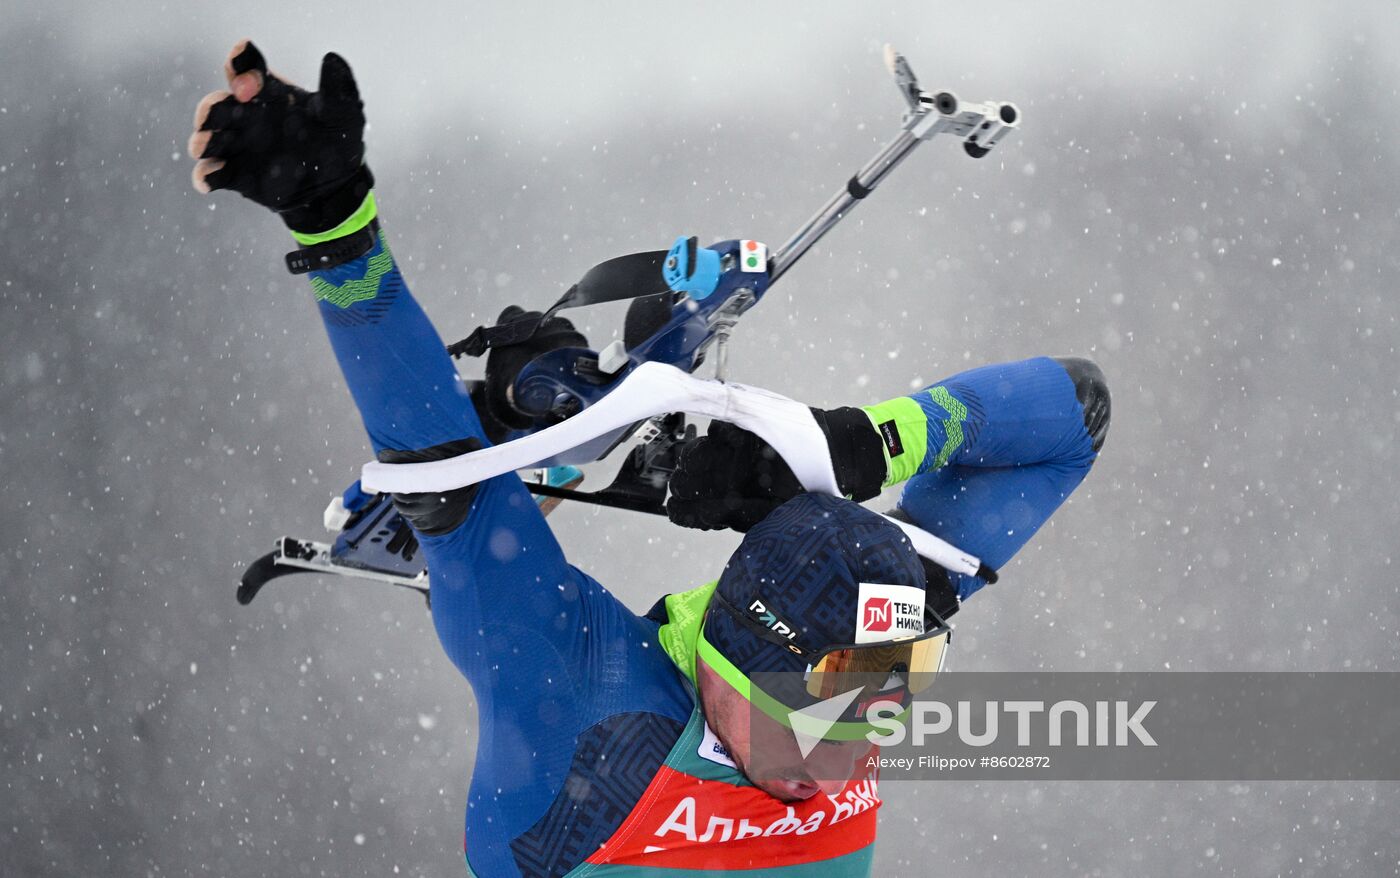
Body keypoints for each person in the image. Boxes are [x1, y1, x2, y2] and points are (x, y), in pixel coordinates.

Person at [190, 41, 1110, 878]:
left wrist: (864, 442)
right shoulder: (578, 695)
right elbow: (437, 473)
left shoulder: (875, 640)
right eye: (819, 729)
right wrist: (335, 225)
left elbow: (1076, 414)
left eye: (883, 716)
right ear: (730, 668)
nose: (844, 769)